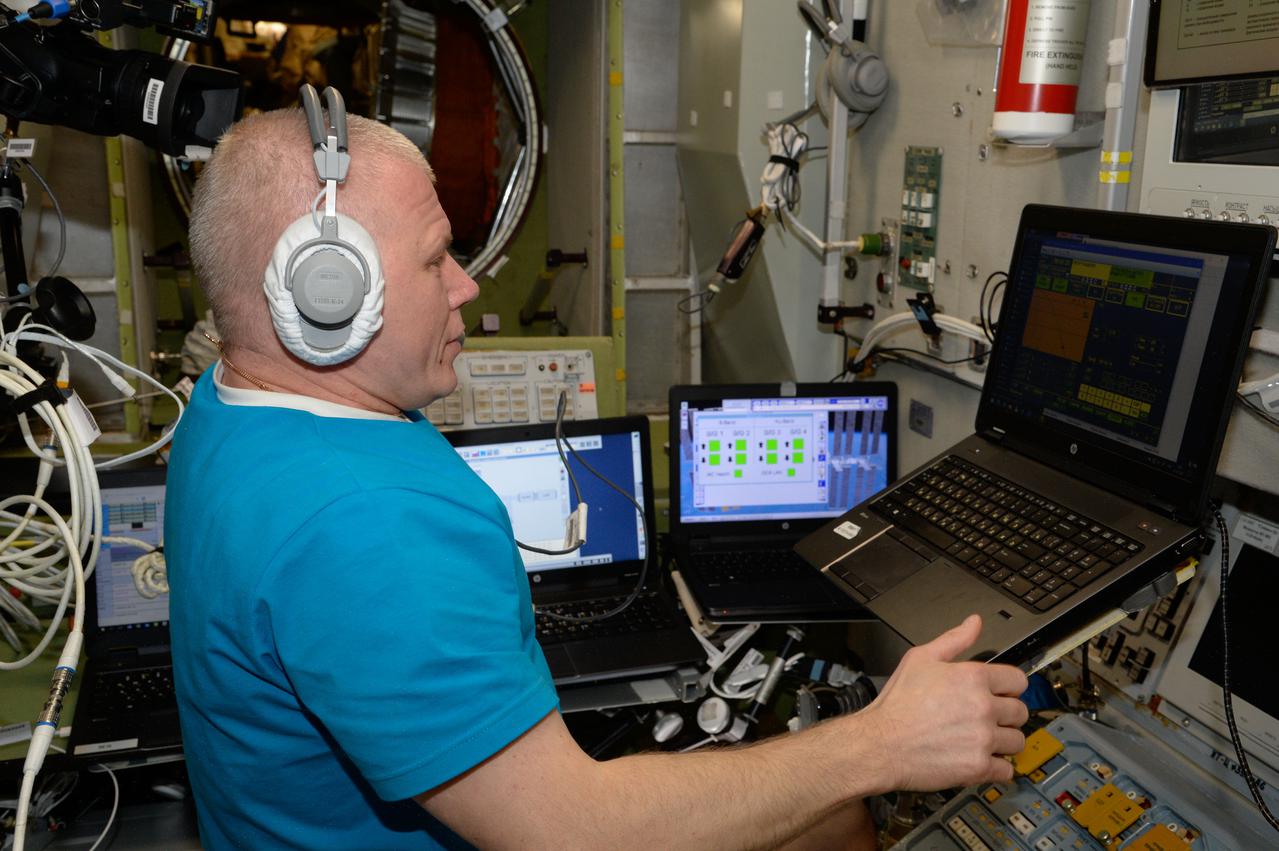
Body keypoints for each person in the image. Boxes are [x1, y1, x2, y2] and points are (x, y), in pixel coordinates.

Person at [166, 106, 1029, 850]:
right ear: (325, 291)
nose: (465, 285)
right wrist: (882, 743)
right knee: (840, 807)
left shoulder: (228, 406)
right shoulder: (367, 522)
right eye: (435, 260)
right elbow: (572, 831)